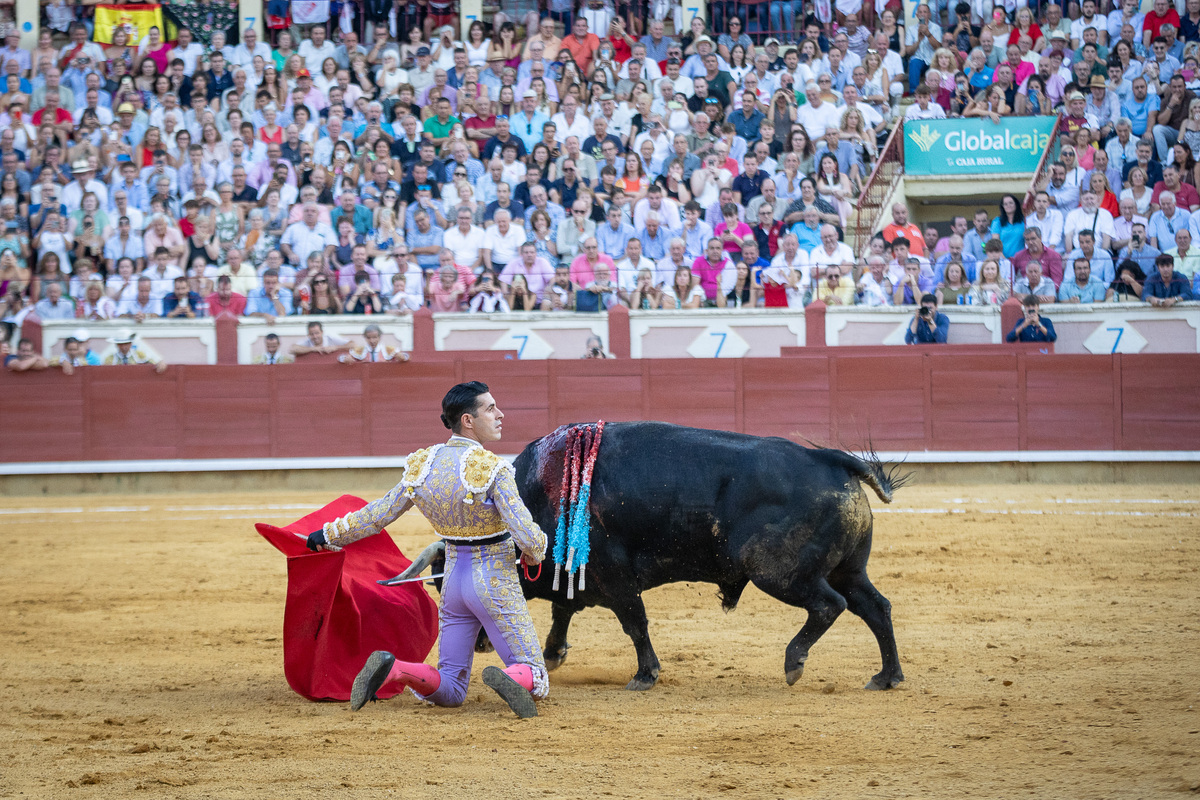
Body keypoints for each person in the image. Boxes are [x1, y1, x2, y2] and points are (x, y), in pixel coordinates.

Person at [307, 382, 548, 718]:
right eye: (490, 408)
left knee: (450, 686)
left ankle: (396, 670)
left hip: (452, 582)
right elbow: (528, 535)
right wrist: (536, 552)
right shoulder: (492, 467)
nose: (500, 414)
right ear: (467, 420)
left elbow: (379, 514)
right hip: (495, 581)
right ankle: (509, 675)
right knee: (536, 677)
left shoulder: (423, 464)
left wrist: (328, 533)